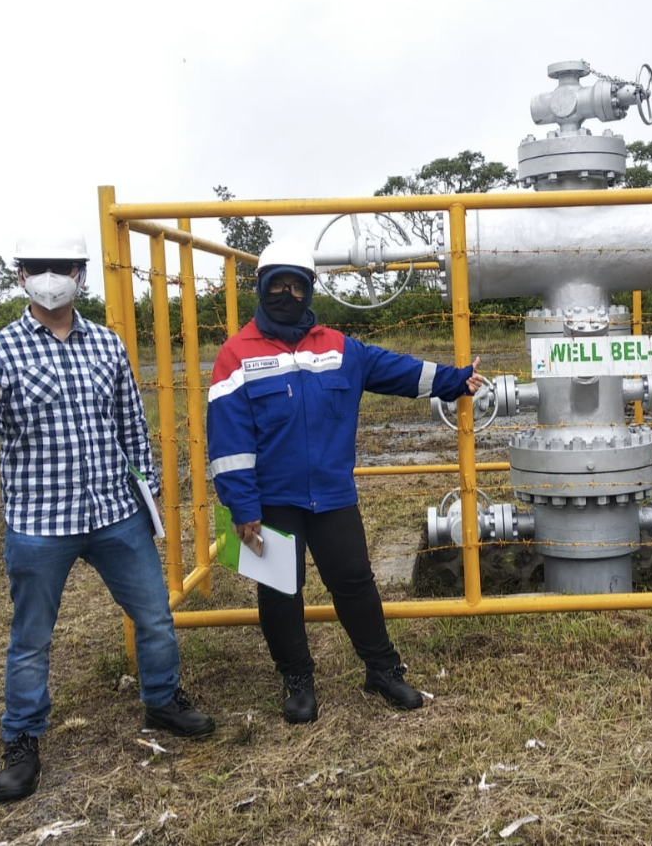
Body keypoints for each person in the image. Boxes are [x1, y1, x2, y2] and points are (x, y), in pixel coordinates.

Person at [0, 228, 214, 804]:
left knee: (154, 616)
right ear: (21, 276)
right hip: (39, 522)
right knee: (31, 640)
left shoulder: (107, 344)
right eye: (39, 267)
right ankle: (22, 739)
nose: (52, 277)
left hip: (115, 515)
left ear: (80, 276)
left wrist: (145, 499)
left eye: (63, 266)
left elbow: (130, 428)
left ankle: (163, 700)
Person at [207, 240, 485, 724]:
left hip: (332, 496)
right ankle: (297, 681)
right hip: (270, 502)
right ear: (262, 288)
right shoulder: (236, 355)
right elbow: (228, 441)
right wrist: (242, 507)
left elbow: (396, 370)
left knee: (355, 583)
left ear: (309, 290)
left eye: (297, 285)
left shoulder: (337, 347)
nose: (287, 294)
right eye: (278, 285)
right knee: (279, 592)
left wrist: (454, 380)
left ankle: (382, 670)